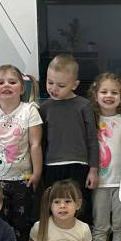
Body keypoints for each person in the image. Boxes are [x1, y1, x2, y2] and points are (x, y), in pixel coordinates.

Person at [0, 64, 43, 241]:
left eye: (12, 82)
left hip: (23, 179)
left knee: (22, 223)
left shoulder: (30, 110)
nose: (6, 85)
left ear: (22, 88)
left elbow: (35, 145)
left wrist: (37, 173)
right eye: (1, 82)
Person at [39, 53, 99, 225]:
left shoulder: (84, 105)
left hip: (79, 166)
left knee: (79, 207)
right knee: (54, 207)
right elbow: (40, 142)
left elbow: (92, 140)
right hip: (51, 166)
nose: (54, 89)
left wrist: (93, 170)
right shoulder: (44, 108)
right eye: (50, 82)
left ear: (75, 84)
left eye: (61, 85)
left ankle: (81, 240)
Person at [89, 73, 121, 241]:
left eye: (114, 92)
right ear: (95, 95)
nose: (109, 96)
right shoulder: (91, 121)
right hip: (101, 183)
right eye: (104, 91)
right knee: (100, 225)